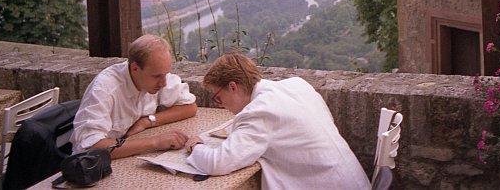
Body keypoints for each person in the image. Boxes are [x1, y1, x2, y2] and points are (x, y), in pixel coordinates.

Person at [185, 53, 371, 190]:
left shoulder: (259, 112)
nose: (221, 105)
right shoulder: (297, 84)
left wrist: (195, 146)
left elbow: (219, 163)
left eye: (218, 97)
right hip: (353, 180)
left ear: (233, 87)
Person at [70, 34, 197, 158]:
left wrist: (148, 121)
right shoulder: (104, 90)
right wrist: (155, 142)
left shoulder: (153, 73)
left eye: (166, 74)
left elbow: (189, 106)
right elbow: (92, 147)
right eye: (157, 76)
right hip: (93, 167)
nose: (163, 83)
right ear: (135, 68)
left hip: (127, 158)